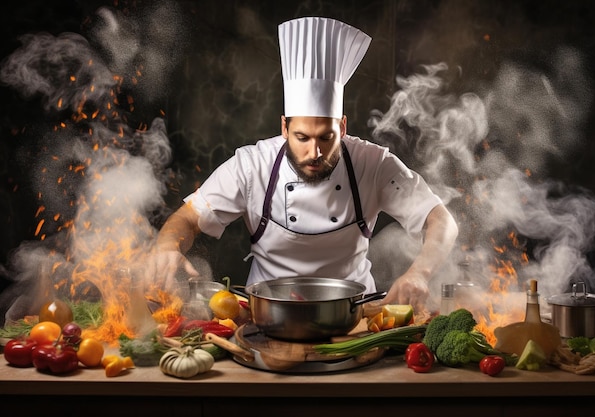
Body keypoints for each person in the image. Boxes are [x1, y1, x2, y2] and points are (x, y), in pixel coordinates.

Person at [147, 17, 458, 313]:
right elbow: (187, 218)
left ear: (343, 127)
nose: (314, 152)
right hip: (267, 317)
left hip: (355, 317)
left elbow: (440, 220)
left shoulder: (373, 163)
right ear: (284, 128)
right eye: (301, 137)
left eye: (326, 137)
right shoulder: (252, 165)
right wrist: (167, 249)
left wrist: (420, 272)